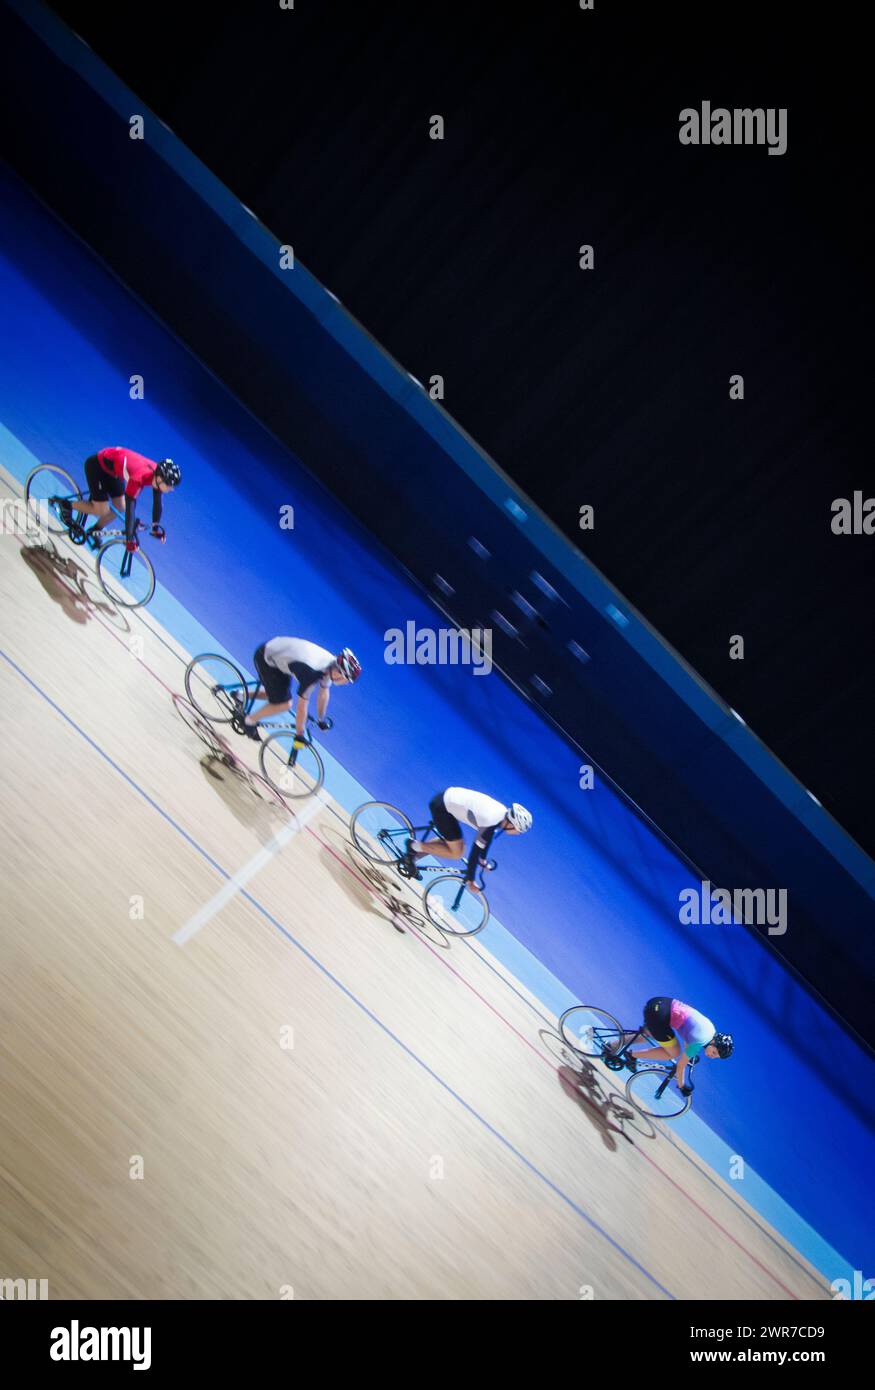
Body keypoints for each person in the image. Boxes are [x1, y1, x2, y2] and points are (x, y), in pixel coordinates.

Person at [405, 787, 532, 890]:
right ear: (511, 824)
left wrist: (482, 861)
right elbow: (474, 852)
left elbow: (486, 840)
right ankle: (413, 846)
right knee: (457, 853)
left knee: (455, 844)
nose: (518, 834)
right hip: (442, 808)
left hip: (448, 800)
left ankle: (411, 858)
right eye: (518, 830)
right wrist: (471, 880)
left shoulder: (501, 815)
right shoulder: (491, 821)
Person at [54, 447, 180, 551]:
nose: (171, 489)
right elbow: (130, 510)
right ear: (159, 479)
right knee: (102, 510)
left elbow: (157, 503)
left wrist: (155, 529)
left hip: (113, 470)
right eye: (169, 485)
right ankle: (66, 505)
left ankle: (95, 530)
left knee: (120, 507)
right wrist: (129, 540)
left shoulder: (157, 476)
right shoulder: (138, 479)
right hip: (97, 467)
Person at [236, 639, 361, 742]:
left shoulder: (331, 665)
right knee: (284, 704)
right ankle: (249, 721)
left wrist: (321, 719)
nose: (345, 684)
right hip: (266, 658)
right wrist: (299, 733)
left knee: (277, 695)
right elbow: (301, 706)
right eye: (346, 680)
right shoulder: (313, 673)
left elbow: (324, 693)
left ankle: (240, 696)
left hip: (280, 656)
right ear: (339, 672)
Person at [618, 997, 733, 1096]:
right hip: (660, 1016)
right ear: (714, 1043)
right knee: (674, 1052)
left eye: (715, 1057)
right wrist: (682, 1086)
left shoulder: (710, 1030)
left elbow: (689, 1034)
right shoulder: (699, 1042)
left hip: (658, 1004)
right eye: (714, 1053)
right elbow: (680, 1066)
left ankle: (611, 1047)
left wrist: (690, 1054)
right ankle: (631, 1055)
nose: (711, 1056)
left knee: (648, 1035)